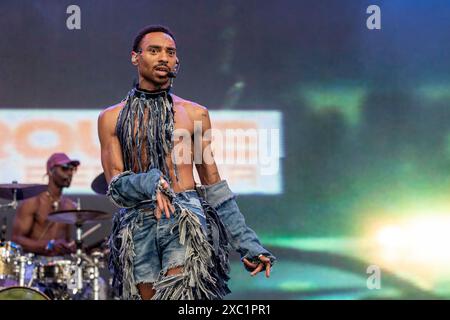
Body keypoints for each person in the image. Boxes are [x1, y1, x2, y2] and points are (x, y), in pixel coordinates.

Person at [98, 25, 276, 300]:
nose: (163, 57)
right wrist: (148, 182)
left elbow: (213, 182)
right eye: (154, 50)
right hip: (137, 224)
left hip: (184, 220)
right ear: (136, 57)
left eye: (170, 52)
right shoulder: (111, 118)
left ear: (177, 62)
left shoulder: (194, 114)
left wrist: (246, 243)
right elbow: (115, 184)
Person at [12, 153, 79, 256]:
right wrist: (48, 245)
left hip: (58, 267)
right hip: (34, 265)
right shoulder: (33, 202)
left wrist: (70, 245)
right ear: (50, 171)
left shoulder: (69, 206)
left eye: (72, 169)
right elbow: (16, 239)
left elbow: (65, 240)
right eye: (65, 168)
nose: (70, 173)